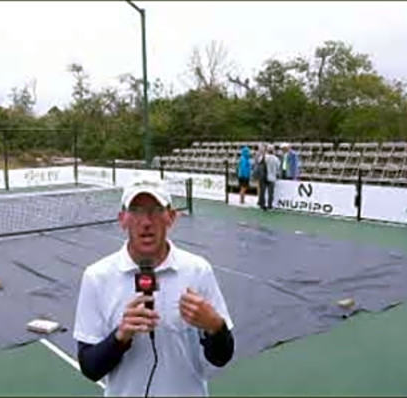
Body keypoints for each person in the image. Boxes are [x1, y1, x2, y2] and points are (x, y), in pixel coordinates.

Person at [73, 178, 235, 396]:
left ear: (171, 217)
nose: (146, 221)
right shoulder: (97, 277)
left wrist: (215, 327)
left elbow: (221, 357)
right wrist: (120, 337)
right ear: (123, 219)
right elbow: (90, 368)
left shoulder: (198, 270)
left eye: (156, 210)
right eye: (136, 210)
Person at [263, 144, 281, 210]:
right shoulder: (276, 159)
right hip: (272, 177)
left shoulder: (264, 157)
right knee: (271, 193)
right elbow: (278, 168)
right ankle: (269, 205)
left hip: (265, 177)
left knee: (264, 191)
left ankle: (263, 204)